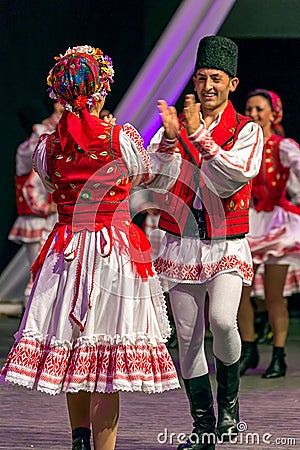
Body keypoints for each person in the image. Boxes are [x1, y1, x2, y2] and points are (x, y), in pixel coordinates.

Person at [0, 45, 180, 450]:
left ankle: (80, 438)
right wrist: (167, 141)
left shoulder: (47, 147)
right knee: (105, 358)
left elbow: (49, 185)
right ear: (100, 92)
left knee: (74, 348)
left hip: (66, 250)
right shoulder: (121, 138)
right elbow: (151, 175)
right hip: (112, 251)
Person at [147, 35, 263, 449]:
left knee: (222, 321)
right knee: (189, 335)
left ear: (232, 83)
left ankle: (230, 411)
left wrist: (195, 135)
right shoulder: (181, 125)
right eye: (201, 78)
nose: (208, 85)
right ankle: (203, 426)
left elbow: (229, 177)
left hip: (225, 243)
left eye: (216, 78)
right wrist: (167, 139)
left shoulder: (247, 130)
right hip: (182, 243)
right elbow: (156, 177)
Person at [238, 89, 300, 378]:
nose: (253, 114)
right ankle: (248, 349)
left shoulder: (282, 146)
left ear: (274, 114)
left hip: (276, 223)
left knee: (274, 296)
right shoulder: (241, 145)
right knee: (241, 293)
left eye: (259, 109)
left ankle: (278, 354)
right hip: (249, 222)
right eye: (249, 109)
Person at [8, 100, 63, 306]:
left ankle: (38, 323)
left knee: (47, 273)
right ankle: (30, 326)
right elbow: (30, 184)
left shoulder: (38, 144)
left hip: (47, 219)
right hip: (34, 218)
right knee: (40, 273)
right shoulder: (28, 148)